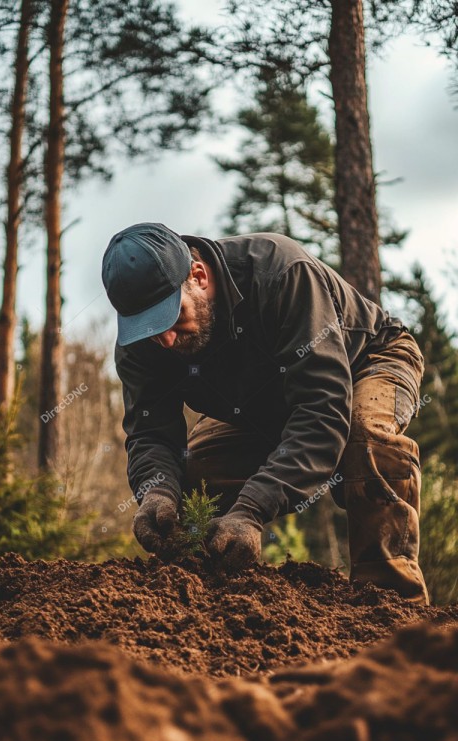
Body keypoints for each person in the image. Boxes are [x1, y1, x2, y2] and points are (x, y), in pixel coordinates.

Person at [102, 222, 429, 605]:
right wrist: (155, 490)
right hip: (262, 404)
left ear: (199, 276)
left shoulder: (283, 274)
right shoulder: (142, 343)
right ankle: (213, 601)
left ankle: (391, 608)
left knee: (367, 440)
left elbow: (321, 411)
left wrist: (252, 510)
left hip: (367, 362)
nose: (166, 340)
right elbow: (151, 433)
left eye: (172, 319)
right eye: (149, 330)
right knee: (194, 478)